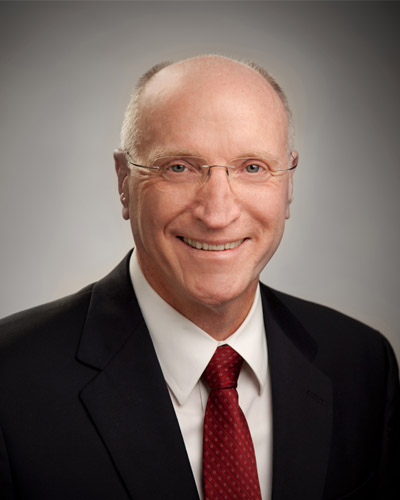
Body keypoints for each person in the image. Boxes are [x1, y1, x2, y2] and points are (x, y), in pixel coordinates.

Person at [0, 55, 398, 500]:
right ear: (124, 181)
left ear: (288, 185)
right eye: (179, 167)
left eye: (252, 167)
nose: (217, 213)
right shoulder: (10, 380)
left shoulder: (362, 365)